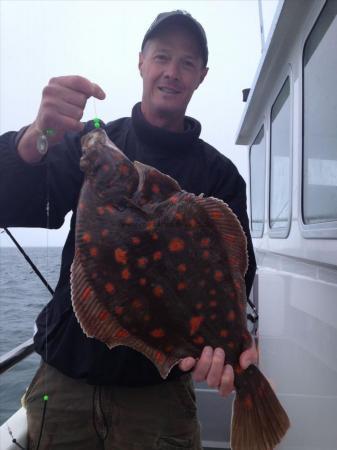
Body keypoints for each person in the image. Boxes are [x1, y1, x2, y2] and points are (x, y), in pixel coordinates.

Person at [0, 10, 257, 450]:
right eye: (162, 57)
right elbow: (15, 203)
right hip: (65, 384)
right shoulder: (93, 145)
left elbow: (237, 273)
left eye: (187, 63)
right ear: (141, 62)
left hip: (159, 398)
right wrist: (30, 142)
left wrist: (231, 341)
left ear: (201, 77)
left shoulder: (220, 175)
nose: (171, 72)